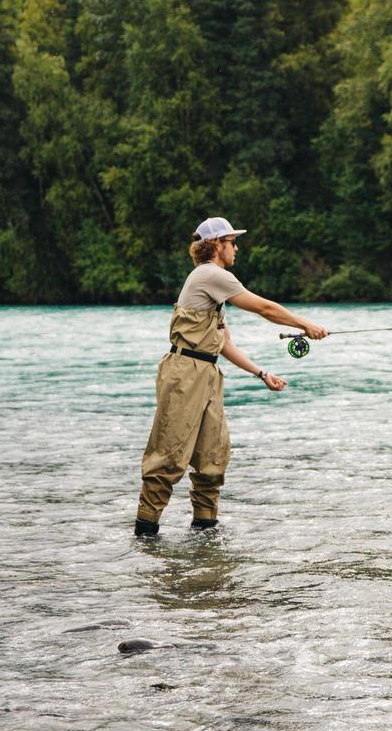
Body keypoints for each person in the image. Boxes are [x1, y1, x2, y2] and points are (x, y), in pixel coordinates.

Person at [133, 216, 327, 537]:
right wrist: (304, 325)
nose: (236, 248)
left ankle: (205, 539)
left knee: (212, 458)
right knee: (167, 457)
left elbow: (224, 344)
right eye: (232, 242)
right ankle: (145, 536)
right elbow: (264, 308)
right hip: (184, 374)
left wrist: (262, 373)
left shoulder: (214, 287)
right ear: (217, 245)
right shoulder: (210, 274)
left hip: (207, 371)